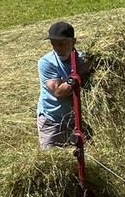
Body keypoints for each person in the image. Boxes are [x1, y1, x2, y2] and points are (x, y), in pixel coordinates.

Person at [36, 21, 92, 150]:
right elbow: (58, 92)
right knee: (52, 160)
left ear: (73, 41)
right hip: (53, 121)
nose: (57, 48)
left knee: (84, 156)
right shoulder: (46, 63)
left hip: (78, 120)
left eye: (61, 44)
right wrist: (77, 75)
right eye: (53, 44)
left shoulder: (84, 59)